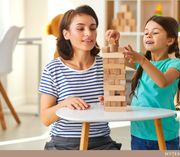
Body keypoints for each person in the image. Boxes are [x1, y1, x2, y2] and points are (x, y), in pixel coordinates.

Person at [38, 5, 121, 150]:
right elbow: (45, 119)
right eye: (80, 28)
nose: (88, 33)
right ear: (66, 34)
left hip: (101, 143)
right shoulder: (53, 69)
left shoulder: (106, 64)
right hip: (63, 144)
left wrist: (111, 103)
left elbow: (119, 105)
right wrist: (64, 103)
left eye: (93, 28)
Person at [123, 15, 180, 150]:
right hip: (138, 133)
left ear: (170, 40)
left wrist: (142, 60)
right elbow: (115, 58)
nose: (148, 36)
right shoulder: (142, 62)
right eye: (146, 32)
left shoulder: (175, 64)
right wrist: (114, 42)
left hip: (165, 135)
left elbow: (163, 81)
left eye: (155, 32)